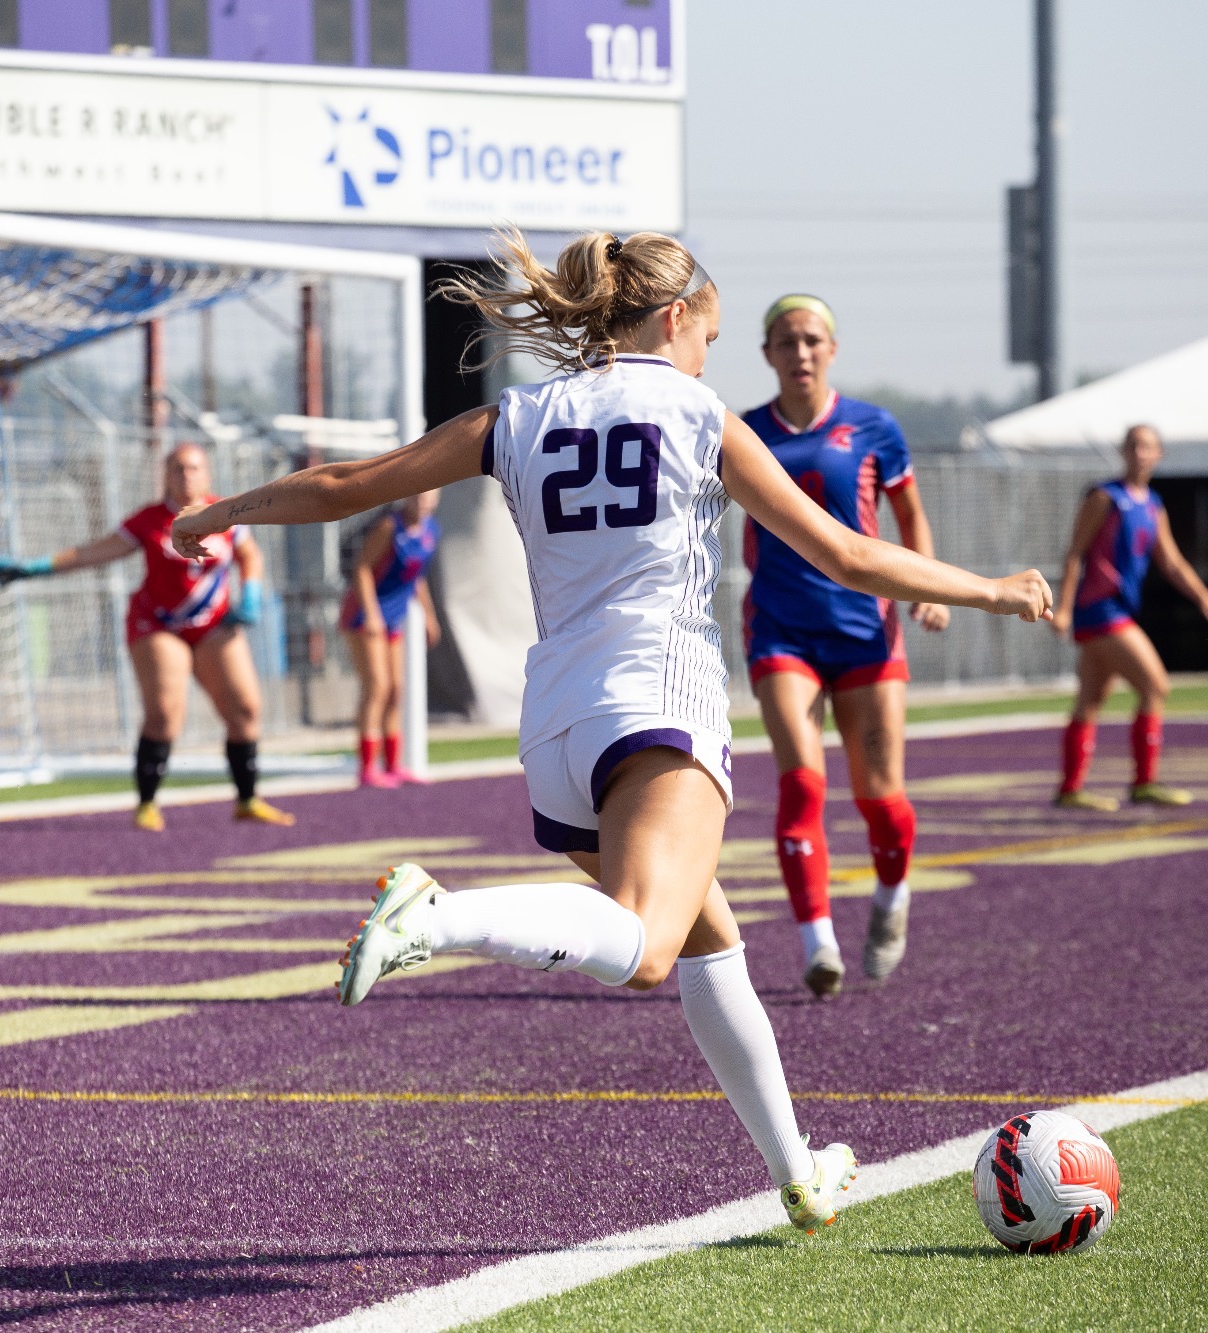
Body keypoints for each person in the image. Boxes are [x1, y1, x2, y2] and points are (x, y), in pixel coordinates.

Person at [169, 228, 1052, 1232]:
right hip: (657, 701)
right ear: (674, 318)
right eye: (709, 336)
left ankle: (798, 1168)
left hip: (554, 725)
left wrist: (218, 512)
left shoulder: (517, 413)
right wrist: (989, 588)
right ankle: (435, 917)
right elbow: (845, 554)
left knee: (709, 938)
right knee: (644, 946)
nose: (708, 356)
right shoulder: (700, 413)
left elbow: (345, 487)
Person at [740, 293, 945, 999]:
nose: (800, 352)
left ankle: (892, 896)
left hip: (865, 630)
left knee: (880, 796)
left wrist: (927, 586)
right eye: (786, 341)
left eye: (811, 340)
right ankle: (817, 942)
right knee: (802, 783)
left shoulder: (873, 427)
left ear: (832, 349)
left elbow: (909, 516)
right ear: (767, 354)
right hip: (781, 629)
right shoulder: (744, 432)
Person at [0, 442, 294, 831]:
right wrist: (37, 568)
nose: (186, 476)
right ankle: (147, 803)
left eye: (194, 468)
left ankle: (247, 800)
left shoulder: (226, 513)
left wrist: (250, 590)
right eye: (178, 469)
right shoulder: (150, 520)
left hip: (212, 624)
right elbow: (93, 552)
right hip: (158, 624)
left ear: (207, 474)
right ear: (165, 476)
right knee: (165, 712)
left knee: (245, 709)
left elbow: (249, 555)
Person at [1051, 425, 1208, 811]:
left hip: (1116, 610)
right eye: (1132, 446)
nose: (1139, 453)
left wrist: (1205, 599)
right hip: (1102, 610)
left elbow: (1172, 562)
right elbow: (1075, 553)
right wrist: (1063, 609)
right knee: (1155, 685)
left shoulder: (1152, 505)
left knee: (1091, 699)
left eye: (1147, 447)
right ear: (1122, 451)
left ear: (1159, 454)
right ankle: (1144, 782)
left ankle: (1070, 789)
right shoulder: (1105, 497)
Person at [339, 490, 442, 786]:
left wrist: (429, 616)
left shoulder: (431, 530)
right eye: (417, 494)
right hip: (364, 615)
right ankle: (367, 767)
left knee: (396, 689)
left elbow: (416, 576)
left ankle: (393, 765)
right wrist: (372, 614)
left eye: (428, 495)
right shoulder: (389, 527)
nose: (422, 500)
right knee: (377, 686)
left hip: (394, 617)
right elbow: (361, 569)